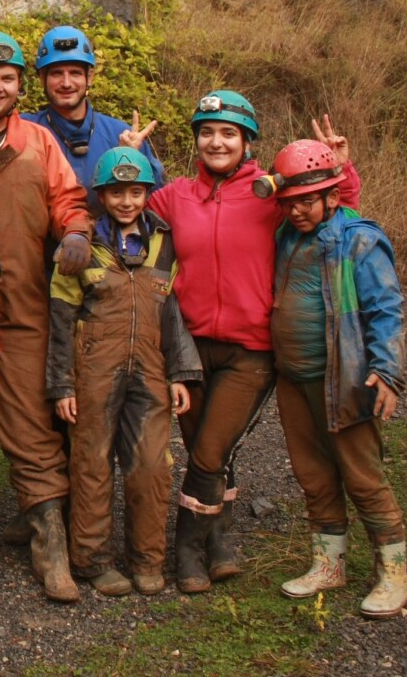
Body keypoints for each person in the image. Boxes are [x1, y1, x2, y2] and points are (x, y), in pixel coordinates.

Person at [122, 93, 359, 592]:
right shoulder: (176, 196)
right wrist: (131, 160)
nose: (217, 141)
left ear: (248, 141)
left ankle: (185, 551)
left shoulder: (271, 194)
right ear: (196, 141)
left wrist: (342, 167)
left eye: (229, 133)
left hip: (249, 349)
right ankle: (220, 540)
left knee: (208, 453)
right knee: (208, 448)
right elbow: (128, 208)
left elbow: (333, 211)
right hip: (186, 348)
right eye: (207, 132)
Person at [0, 32, 93, 599]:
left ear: (20, 88)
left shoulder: (39, 141)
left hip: (24, 302)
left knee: (31, 422)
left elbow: (69, 201)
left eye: (7, 79)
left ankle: (49, 540)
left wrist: (76, 233)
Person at [265, 140, 407, 618]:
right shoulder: (286, 235)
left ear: (332, 197)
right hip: (294, 378)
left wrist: (386, 372)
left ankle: (393, 574)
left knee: (363, 477)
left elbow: (385, 307)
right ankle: (329, 564)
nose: (297, 210)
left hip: (345, 378)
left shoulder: (360, 238)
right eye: (289, 202)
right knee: (314, 475)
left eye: (308, 201)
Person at [47, 147, 200, 596]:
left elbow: (173, 313)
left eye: (136, 192)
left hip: (152, 371)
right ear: (101, 195)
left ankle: (147, 559)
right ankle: (92, 560)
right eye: (116, 193)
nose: (127, 202)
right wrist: (61, 384)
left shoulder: (164, 241)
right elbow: (59, 319)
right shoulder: (82, 245)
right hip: (93, 370)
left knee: (151, 464)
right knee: (91, 463)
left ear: (149, 193)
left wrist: (181, 373)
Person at [22, 25, 163, 188]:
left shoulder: (121, 136)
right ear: (42, 79)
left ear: (89, 77)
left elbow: (154, 198)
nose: (66, 83)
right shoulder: (24, 131)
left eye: (75, 73)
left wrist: (132, 161)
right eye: (56, 73)